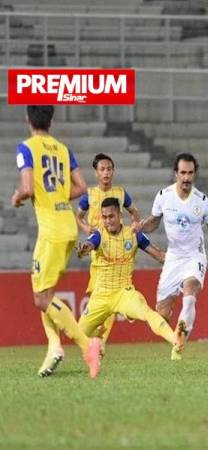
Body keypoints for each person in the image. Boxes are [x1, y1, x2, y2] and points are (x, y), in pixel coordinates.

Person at [11, 105, 101, 378]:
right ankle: (54, 347)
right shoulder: (63, 150)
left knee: (41, 298)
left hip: (50, 230)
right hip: (67, 225)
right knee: (44, 289)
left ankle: (88, 346)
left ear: (28, 119)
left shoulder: (26, 148)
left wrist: (18, 197)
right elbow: (83, 187)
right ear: (51, 120)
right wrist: (59, 196)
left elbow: (27, 188)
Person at [136, 153, 208, 338]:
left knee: (190, 293)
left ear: (195, 174)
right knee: (162, 314)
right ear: (176, 174)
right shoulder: (164, 196)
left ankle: (179, 343)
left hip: (194, 256)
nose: (186, 177)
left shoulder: (202, 201)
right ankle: (174, 334)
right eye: (183, 173)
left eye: (190, 173)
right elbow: (154, 223)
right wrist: (140, 227)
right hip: (173, 258)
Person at [77, 197, 185, 360]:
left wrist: (181, 262)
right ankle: (98, 340)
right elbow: (88, 245)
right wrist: (84, 249)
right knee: (78, 334)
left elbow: (160, 256)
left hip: (124, 293)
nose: (108, 221)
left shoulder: (134, 235)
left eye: (111, 216)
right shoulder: (98, 235)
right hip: (101, 295)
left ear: (120, 215)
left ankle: (175, 341)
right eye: (104, 217)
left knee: (147, 313)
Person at [76, 152, 141, 344]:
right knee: (101, 295)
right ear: (96, 173)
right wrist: (87, 228)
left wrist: (136, 224)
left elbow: (134, 212)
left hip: (117, 249)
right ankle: (102, 333)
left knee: (107, 294)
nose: (106, 173)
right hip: (98, 251)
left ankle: (100, 341)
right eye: (102, 169)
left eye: (109, 169)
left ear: (113, 171)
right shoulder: (89, 195)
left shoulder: (121, 194)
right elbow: (78, 216)